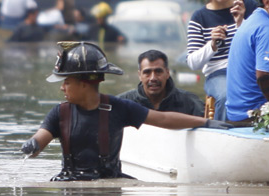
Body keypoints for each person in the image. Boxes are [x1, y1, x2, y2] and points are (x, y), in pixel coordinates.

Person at [20, 42, 230, 181]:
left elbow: (164, 119)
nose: (61, 88)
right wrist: (32, 145)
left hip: (108, 184)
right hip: (69, 182)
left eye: (66, 82)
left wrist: (205, 122)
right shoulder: (60, 113)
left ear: (84, 83)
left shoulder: (118, 108)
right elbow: (40, 139)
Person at [186, 0, 258, 121]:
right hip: (218, 73)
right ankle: (220, 131)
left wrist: (241, 23)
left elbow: (261, 44)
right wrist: (212, 44)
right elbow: (193, 63)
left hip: (250, 69)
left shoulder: (249, 7)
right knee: (227, 94)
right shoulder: (199, 18)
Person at [117, 49, 205, 116]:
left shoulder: (190, 103)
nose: (153, 78)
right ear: (140, 75)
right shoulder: (123, 103)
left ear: (167, 73)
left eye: (158, 71)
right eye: (147, 72)